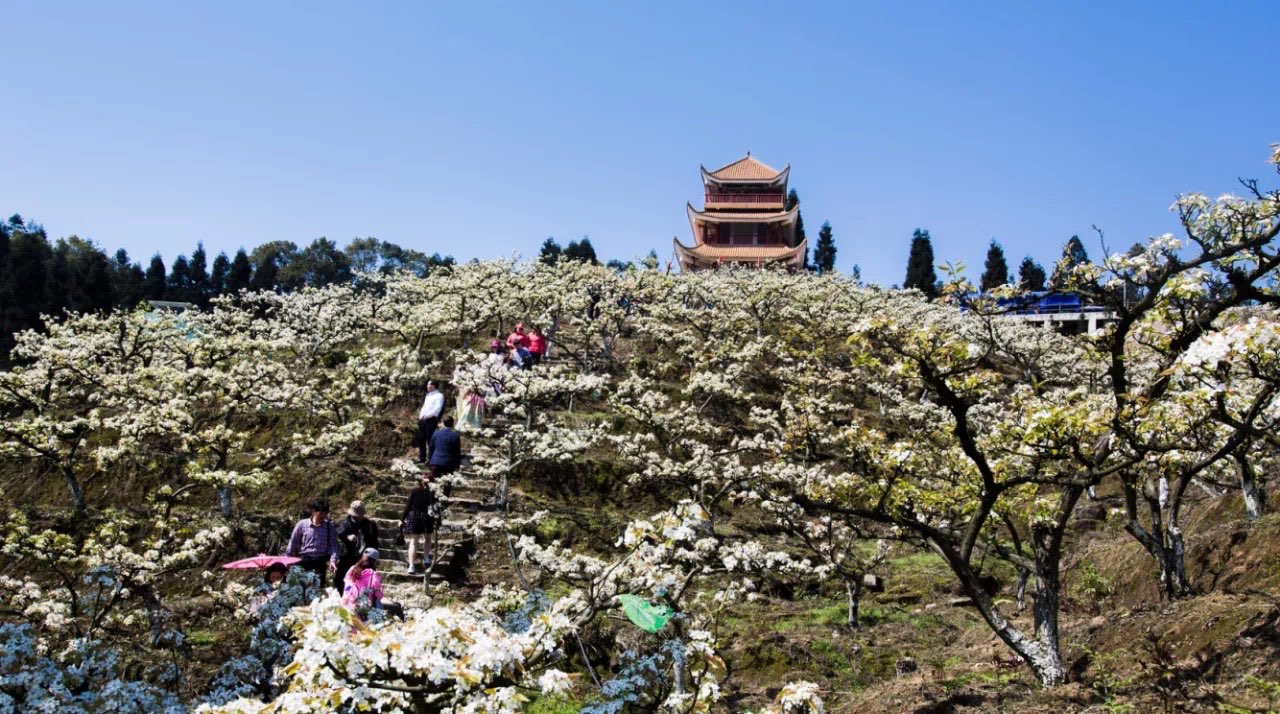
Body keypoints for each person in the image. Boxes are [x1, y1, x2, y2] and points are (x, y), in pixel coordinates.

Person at [285, 499, 338, 580]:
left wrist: (333, 561)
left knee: (318, 588)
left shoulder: (329, 526)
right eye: (321, 513)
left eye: (326, 513)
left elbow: (333, 545)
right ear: (314, 511)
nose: (323, 516)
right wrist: (288, 559)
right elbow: (293, 542)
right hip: (303, 561)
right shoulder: (302, 524)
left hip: (320, 562)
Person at [334, 500, 380, 592]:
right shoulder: (345, 523)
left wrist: (371, 556)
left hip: (364, 559)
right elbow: (339, 533)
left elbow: (374, 542)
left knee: (363, 581)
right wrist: (347, 537)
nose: (355, 517)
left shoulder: (370, 525)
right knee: (340, 579)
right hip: (347, 557)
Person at [400, 475, 436, 573]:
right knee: (428, 538)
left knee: (413, 542)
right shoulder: (432, 493)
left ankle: (411, 566)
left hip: (415, 517)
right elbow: (435, 507)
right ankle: (426, 558)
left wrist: (402, 519)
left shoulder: (415, 491)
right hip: (427, 517)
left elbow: (408, 506)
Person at [416, 380, 445, 464]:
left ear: (433, 386)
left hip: (431, 420)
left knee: (430, 440)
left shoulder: (439, 396)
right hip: (423, 419)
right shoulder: (428, 395)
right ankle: (422, 458)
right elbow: (425, 407)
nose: (427, 387)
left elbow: (437, 408)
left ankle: (430, 459)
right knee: (421, 439)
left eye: (428, 385)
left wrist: (428, 415)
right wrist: (421, 415)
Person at [428, 415, 463, 480]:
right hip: (448, 463)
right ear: (453, 424)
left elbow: (431, 448)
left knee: (433, 484)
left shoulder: (436, 434)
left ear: (443, 423)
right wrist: (457, 464)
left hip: (436, 462)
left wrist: (430, 460)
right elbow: (456, 452)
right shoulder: (455, 435)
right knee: (447, 483)